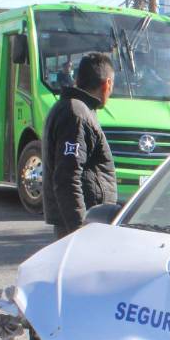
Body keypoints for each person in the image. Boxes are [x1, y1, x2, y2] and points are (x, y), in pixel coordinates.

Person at [42, 52, 118, 239]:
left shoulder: (78, 109)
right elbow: (67, 178)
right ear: (107, 84)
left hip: (87, 222)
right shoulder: (76, 113)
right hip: (81, 226)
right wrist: (79, 230)